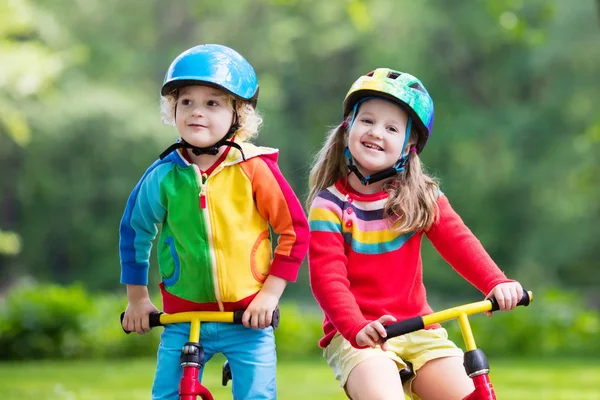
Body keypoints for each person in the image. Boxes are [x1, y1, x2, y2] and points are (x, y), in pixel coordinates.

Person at [306, 68, 523, 400]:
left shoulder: (420, 196)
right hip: (358, 333)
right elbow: (327, 277)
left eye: (391, 128)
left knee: (470, 392)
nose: (376, 132)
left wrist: (496, 282)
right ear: (348, 125)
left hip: (421, 328)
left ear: (409, 145)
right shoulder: (330, 205)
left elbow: (459, 242)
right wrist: (354, 326)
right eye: (367, 121)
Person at [119, 44, 309, 400]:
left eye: (212, 103)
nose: (196, 112)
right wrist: (137, 298)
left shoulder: (255, 168)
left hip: (248, 317)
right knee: (168, 395)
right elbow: (135, 232)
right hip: (183, 316)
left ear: (239, 114)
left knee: (256, 395)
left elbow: (294, 231)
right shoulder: (163, 175)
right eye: (186, 101)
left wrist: (269, 296)